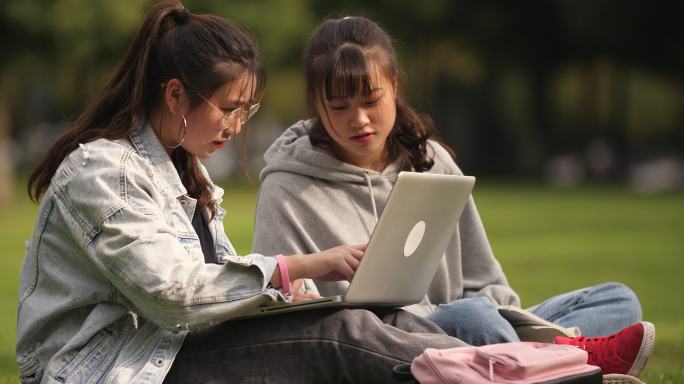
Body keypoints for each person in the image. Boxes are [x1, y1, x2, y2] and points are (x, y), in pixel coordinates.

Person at [15, 3, 481, 383]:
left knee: (383, 321)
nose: (238, 126)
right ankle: (498, 373)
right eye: (230, 108)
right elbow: (173, 296)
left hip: (168, 352)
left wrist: (284, 301)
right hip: (111, 370)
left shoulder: (185, 172)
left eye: (247, 109)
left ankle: (506, 365)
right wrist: (294, 268)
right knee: (341, 333)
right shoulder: (101, 172)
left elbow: (212, 294)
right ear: (176, 96)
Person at [252, 16, 655, 379]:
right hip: (385, 350)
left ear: (394, 85)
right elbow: (284, 322)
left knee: (618, 301)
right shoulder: (288, 186)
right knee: (473, 318)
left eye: (370, 100)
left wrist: (514, 322)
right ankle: (555, 361)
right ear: (317, 107)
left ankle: (534, 359)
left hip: (472, 332)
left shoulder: (432, 161)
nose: (358, 119)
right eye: (339, 107)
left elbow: (485, 282)